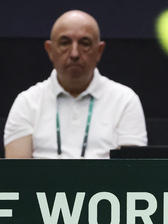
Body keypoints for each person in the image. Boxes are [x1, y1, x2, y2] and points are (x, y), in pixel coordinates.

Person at [4, 10, 147, 159]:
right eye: (65, 43)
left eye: (84, 43)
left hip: (106, 183)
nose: (74, 54)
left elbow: (131, 176)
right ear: (50, 50)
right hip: (42, 183)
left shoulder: (125, 101)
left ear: (99, 51)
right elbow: (17, 176)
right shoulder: (27, 102)